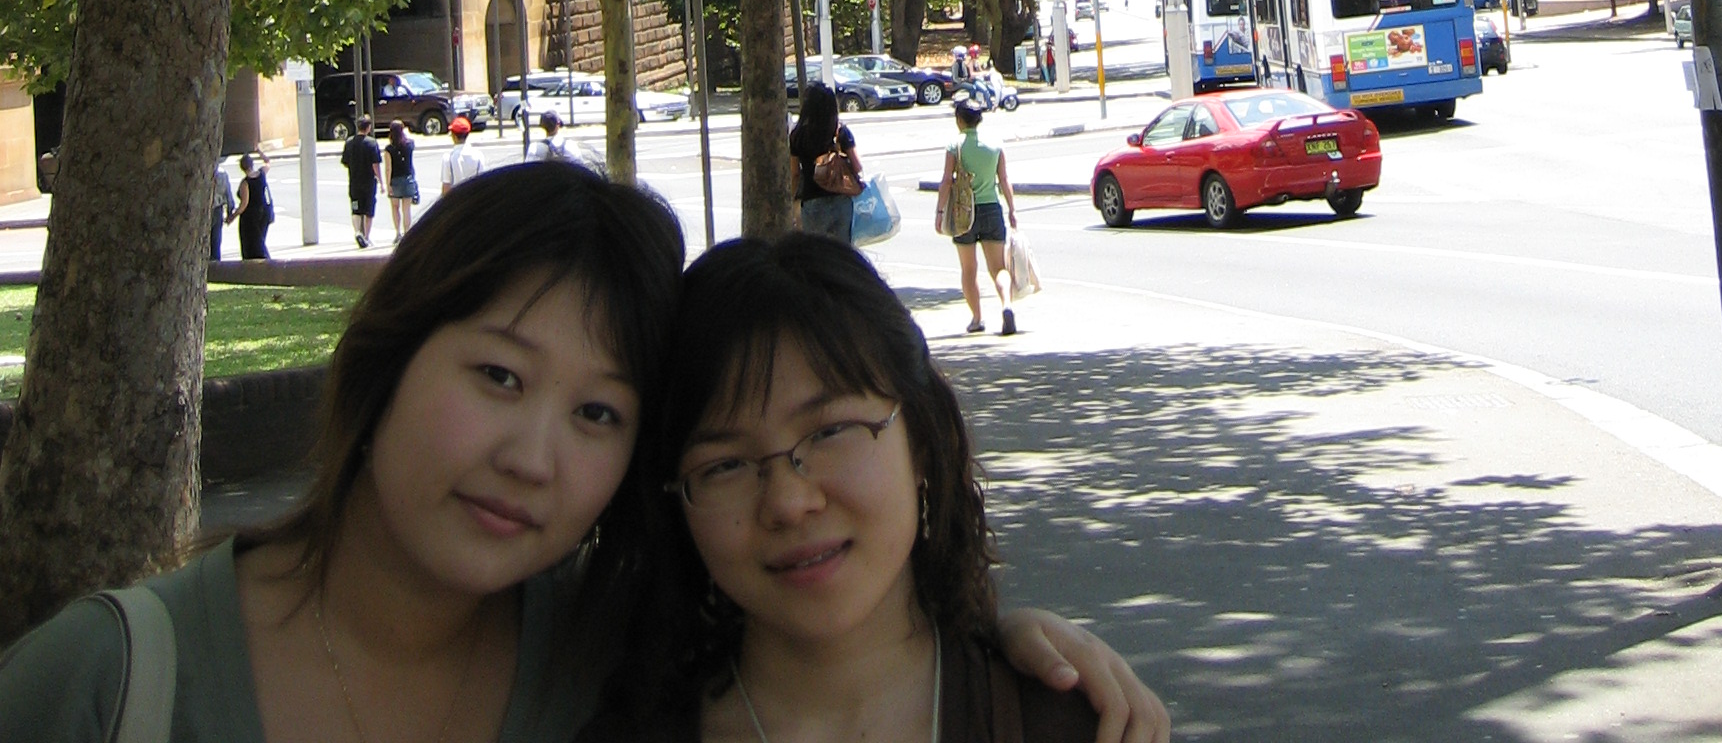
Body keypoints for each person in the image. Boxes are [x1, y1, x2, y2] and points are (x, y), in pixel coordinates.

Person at [0, 172, 1169, 743]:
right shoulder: (106, 685)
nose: (532, 457)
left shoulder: (605, 662)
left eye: (600, 412)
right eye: (499, 376)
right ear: (385, 360)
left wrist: (1006, 648)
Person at [626, 234, 1103, 743]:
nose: (788, 503)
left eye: (830, 432)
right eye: (725, 465)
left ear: (921, 440)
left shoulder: (1070, 723)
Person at [934, 100, 1015, 338]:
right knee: (998, 268)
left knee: (969, 269)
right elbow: (1004, 179)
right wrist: (1012, 209)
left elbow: (946, 181)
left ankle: (977, 318)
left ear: (959, 120)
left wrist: (940, 212)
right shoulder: (995, 145)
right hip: (992, 208)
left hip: (963, 213)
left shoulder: (955, 146)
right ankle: (1007, 305)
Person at [788, 83, 862, 243]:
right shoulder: (841, 132)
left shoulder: (798, 135)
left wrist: (791, 199)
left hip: (812, 201)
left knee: (816, 252)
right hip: (841, 201)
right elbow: (857, 166)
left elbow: (794, 174)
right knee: (841, 252)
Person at [342, 114, 384, 249]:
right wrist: (381, 181)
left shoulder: (349, 142)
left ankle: (357, 232)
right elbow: (375, 164)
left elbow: (345, 162)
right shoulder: (372, 143)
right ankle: (366, 236)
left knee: (356, 209)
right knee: (368, 210)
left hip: (354, 181)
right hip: (369, 182)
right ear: (369, 127)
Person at [385, 120, 422, 240]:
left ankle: (397, 233)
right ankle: (407, 233)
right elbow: (411, 139)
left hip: (395, 180)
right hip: (408, 178)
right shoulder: (409, 144)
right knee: (406, 209)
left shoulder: (389, 149)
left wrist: (388, 185)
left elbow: (388, 168)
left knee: (395, 208)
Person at [236, 150, 274, 262]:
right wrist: (259, 151)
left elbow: (244, 204)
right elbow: (267, 162)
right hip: (265, 213)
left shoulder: (245, 183)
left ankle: (260, 263)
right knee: (261, 240)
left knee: (253, 244)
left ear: (242, 167)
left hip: (251, 218)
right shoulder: (262, 173)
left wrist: (232, 217)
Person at [440, 114, 483, 195]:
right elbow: (481, 182)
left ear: (454, 136)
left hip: (455, 199)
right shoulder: (478, 156)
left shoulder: (448, 158)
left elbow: (446, 186)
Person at [209, 153, 239, 264]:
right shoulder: (222, 174)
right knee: (216, 240)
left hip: (205, 210)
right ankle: (215, 263)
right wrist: (230, 212)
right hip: (217, 209)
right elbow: (228, 194)